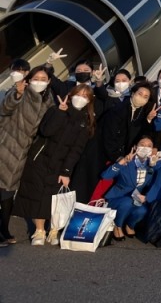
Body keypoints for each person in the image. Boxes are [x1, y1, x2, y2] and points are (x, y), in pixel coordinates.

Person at [14, 85, 95, 245]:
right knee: (37, 194)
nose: (81, 98)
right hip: (40, 159)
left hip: (61, 164)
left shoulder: (86, 122)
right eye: (78, 94)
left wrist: (66, 171)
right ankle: (39, 231)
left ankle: (54, 230)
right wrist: (60, 112)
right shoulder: (55, 110)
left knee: (54, 197)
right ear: (71, 95)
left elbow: (76, 150)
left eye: (85, 96)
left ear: (89, 101)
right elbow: (46, 131)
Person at [0, 64, 53, 245]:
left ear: (49, 82)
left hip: (24, 152)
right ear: (29, 79)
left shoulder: (49, 101)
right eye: (36, 78)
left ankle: (4, 229)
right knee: (2, 189)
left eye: (43, 79)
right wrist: (18, 94)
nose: (39, 82)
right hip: (5, 145)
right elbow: (5, 109)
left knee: (8, 192)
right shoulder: (19, 93)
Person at [101, 136, 160, 241]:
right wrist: (121, 162)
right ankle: (117, 225)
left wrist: (146, 196)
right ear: (135, 147)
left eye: (149, 146)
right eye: (142, 144)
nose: (145, 148)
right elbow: (105, 176)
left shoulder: (151, 166)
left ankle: (130, 225)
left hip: (136, 198)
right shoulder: (126, 161)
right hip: (117, 198)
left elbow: (153, 185)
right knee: (127, 202)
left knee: (143, 210)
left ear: (152, 150)